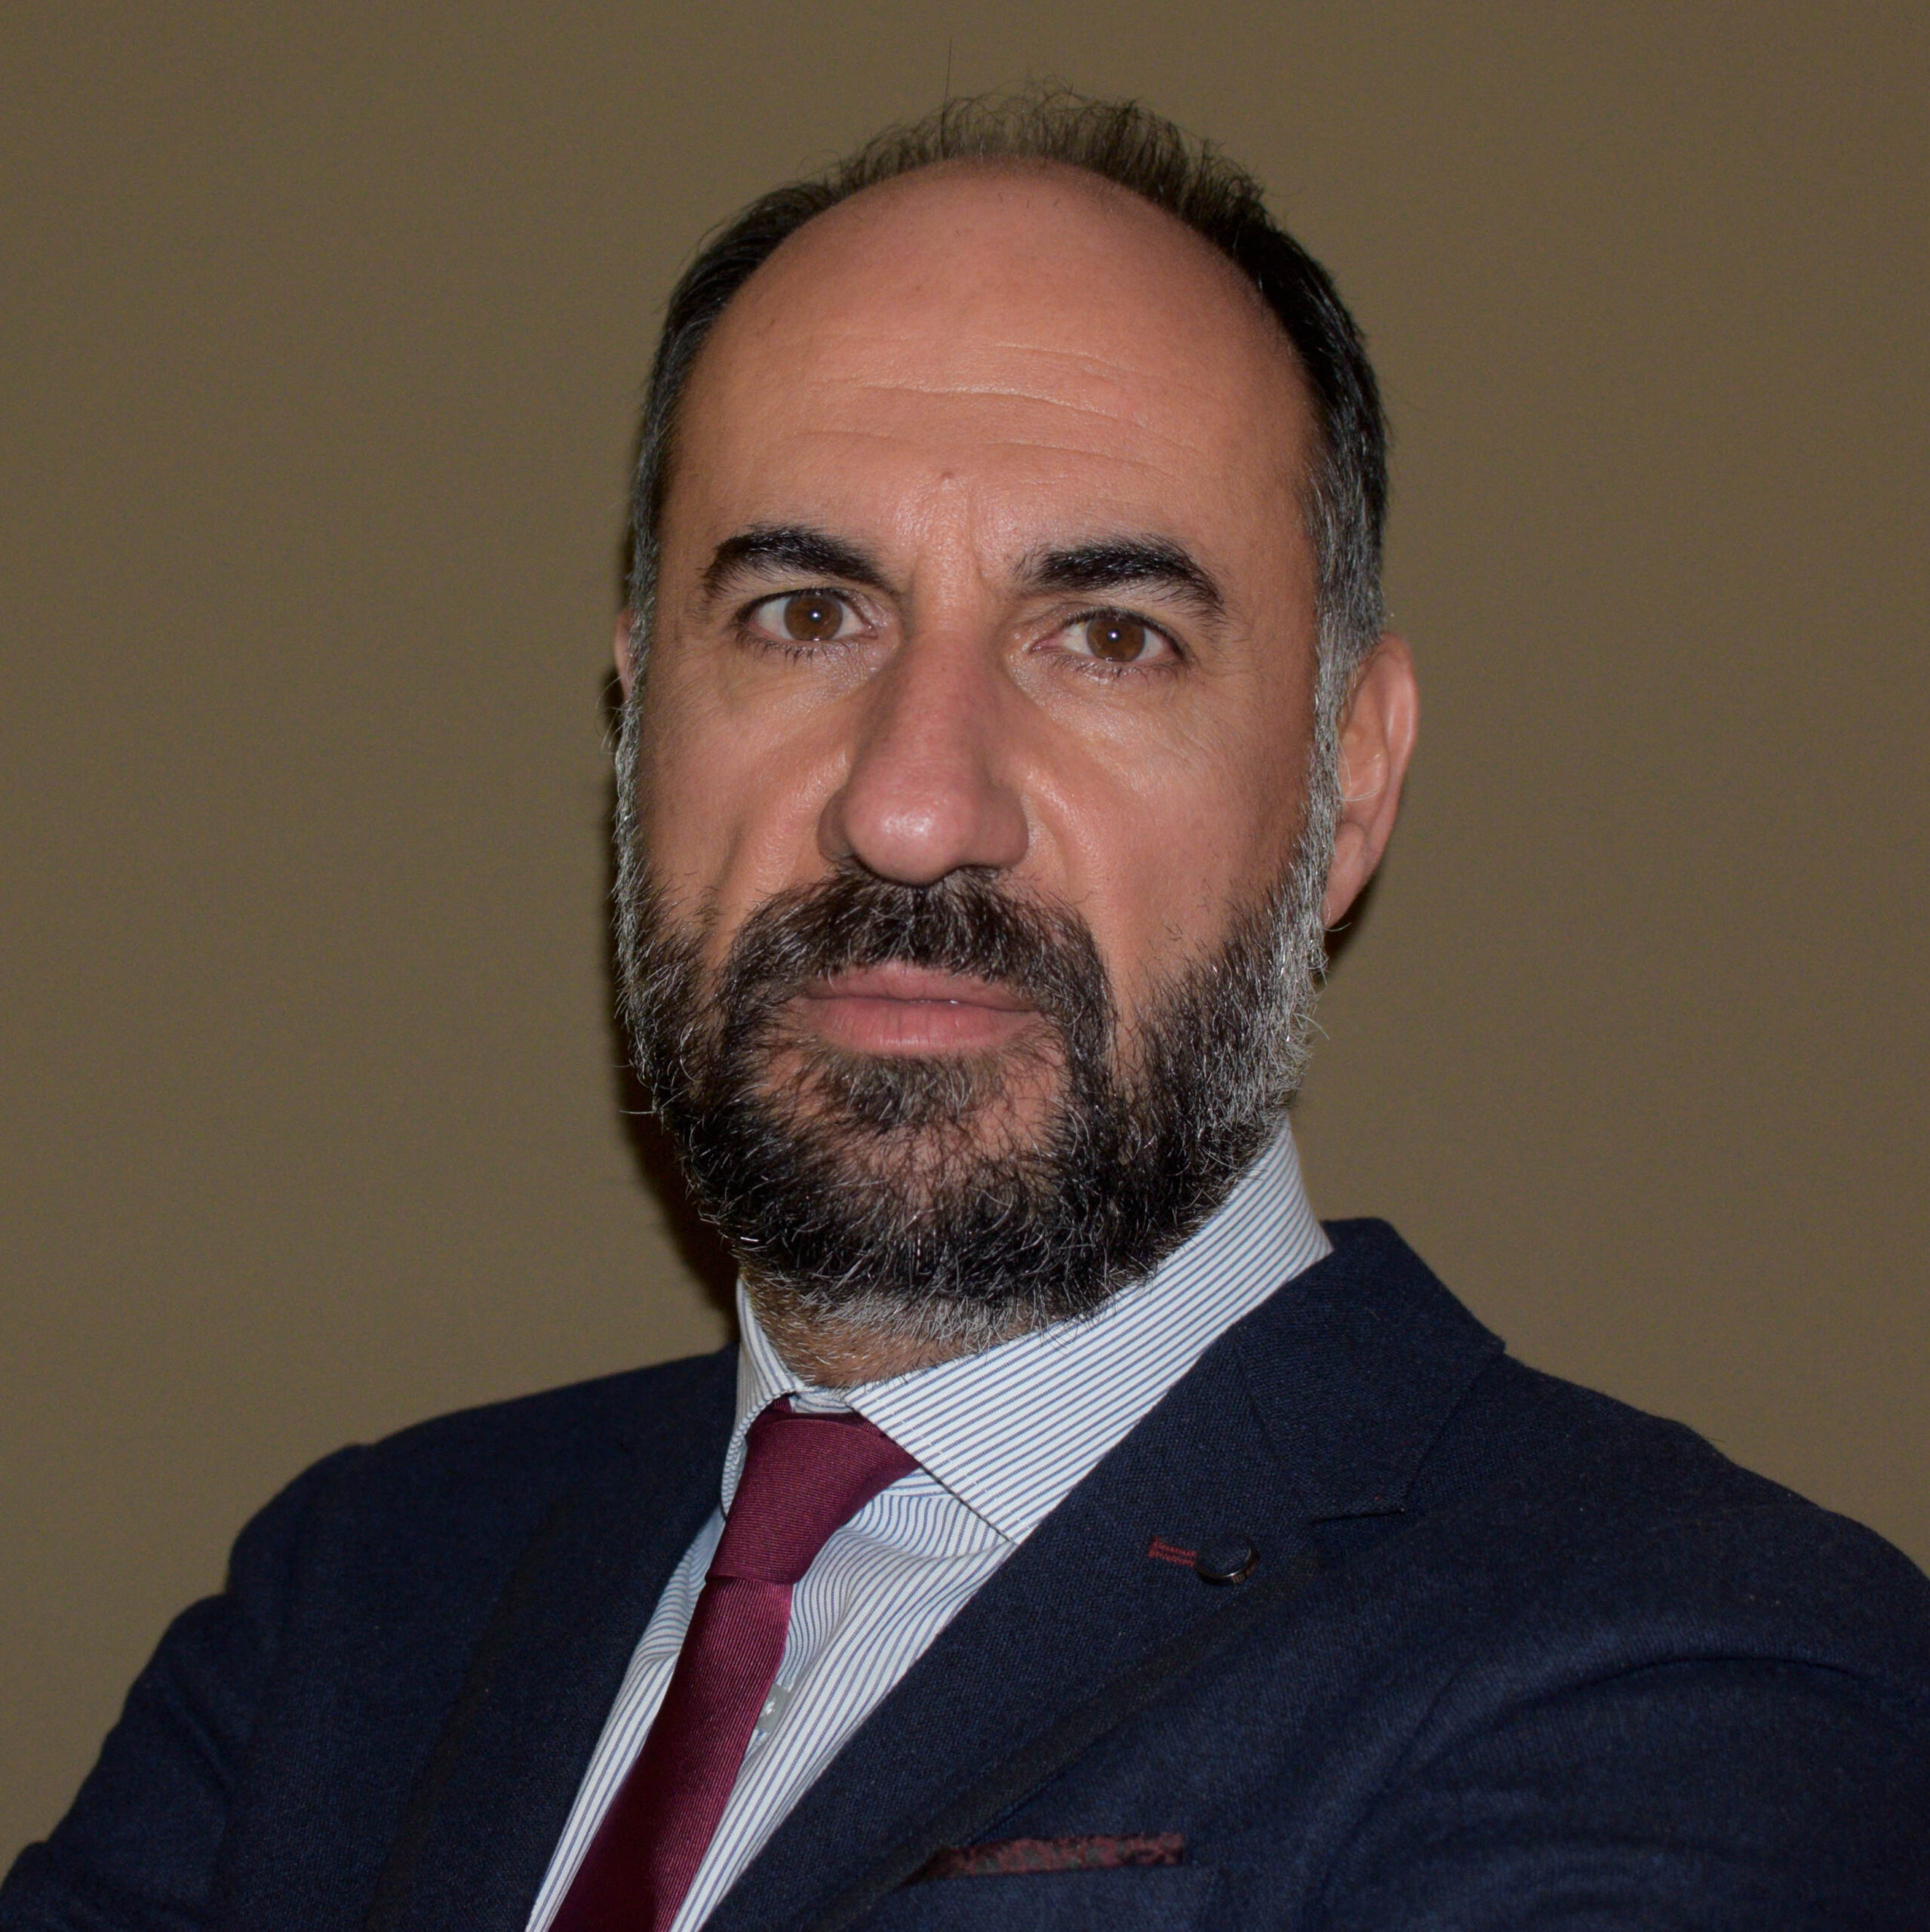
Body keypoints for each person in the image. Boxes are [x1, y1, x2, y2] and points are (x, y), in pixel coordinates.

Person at [5, 91, 1927, 1932]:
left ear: (1348, 783)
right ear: (636, 716)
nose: (913, 804)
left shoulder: (1698, 1680)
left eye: (1108, 636)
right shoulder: (355, 1600)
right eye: (804, 614)